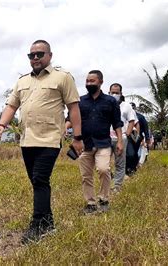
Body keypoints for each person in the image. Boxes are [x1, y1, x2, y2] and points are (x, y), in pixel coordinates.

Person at [0, 40, 83, 244]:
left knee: (40, 179)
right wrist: (2, 125)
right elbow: (11, 106)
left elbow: (74, 109)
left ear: (49, 55)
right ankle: (48, 221)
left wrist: (78, 138)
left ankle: (38, 225)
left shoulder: (63, 77)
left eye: (39, 54)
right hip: (27, 140)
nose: (35, 58)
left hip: (49, 139)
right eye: (31, 55)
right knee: (37, 182)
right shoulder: (22, 81)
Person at [66, 70, 123, 214]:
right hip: (85, 144)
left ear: (101, 82)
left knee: (104, 170)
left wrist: (120, 141)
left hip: (103, 143)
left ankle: (104, 199)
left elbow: (117, 123)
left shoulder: (110, 101)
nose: (89, 84)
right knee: (86, 175)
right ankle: (90, 202)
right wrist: (64, 128)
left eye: (92, 81)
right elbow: (70, 119)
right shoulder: (80, 101)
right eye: (87, 81)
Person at [109, 83, 136, 192]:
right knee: (102, 164)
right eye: (112, 92)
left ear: (121, 93)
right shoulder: (105, 103)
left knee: (120, 163)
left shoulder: (126, 106)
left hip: (121, 138)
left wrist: (127, 134)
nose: (114, 94)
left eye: (117, 92)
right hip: (106, 138)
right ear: (109, 92)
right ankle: (109, 181)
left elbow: (131, 121)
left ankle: (116, 187)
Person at [130, 102, 151, 171]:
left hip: (137, 136)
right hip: (127, 136)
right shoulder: (125, 115)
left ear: (135, 108)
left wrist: (147, 138)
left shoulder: (140, 117)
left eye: (133, 108)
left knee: (137, 153)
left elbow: (145, 128)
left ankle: (135, 165)